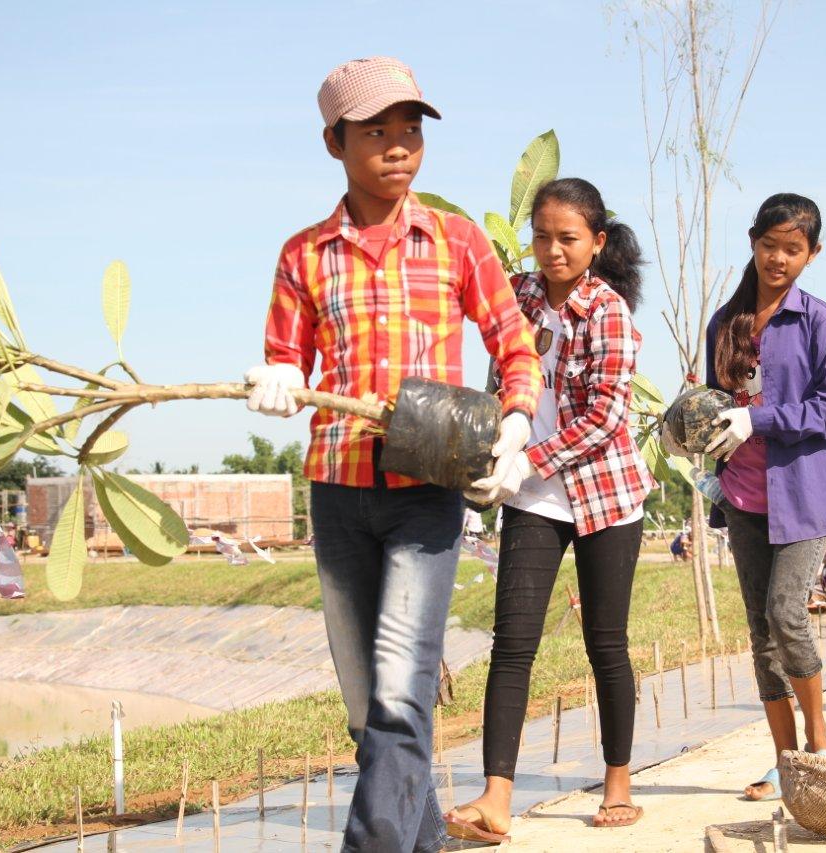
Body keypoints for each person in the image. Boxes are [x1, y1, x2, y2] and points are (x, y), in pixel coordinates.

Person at [244, 57, 542, 853]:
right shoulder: (304, 256)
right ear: (334, 142)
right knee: (363, 704)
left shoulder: (456, 242)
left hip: (426, 492)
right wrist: (278, 378)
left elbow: (516, 344)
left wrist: (515, 423)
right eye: (376, 131)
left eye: (410, 129)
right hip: (338, 491)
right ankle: (426, 841)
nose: (399, 146)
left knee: (402, 694)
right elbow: (285, 358)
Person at [444, 178, 653, 840]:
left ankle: (618, 781)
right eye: (541, 236)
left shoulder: (610, 312)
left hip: (604, 495)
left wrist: (525, 460)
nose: (552, 250)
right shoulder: (521, 295)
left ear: (596, 242)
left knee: (605, 642)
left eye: (568, 239)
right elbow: (488, 339)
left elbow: (603, 419)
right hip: (533, 497)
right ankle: (495, 794)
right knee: (514, 642)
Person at [665, 193, 826, 801]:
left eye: (793, 249)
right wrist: (690, 429)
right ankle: (785, 761)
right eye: (770, 245)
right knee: (759, 629)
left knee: (786, 611)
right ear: (753, 241)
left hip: (804, 493)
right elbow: (715, 401)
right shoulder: (726, 322)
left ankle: (820, 742)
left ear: (813, 253)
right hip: (743, 494)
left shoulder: (819, 321)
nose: (779, 258)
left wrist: (763, 419)